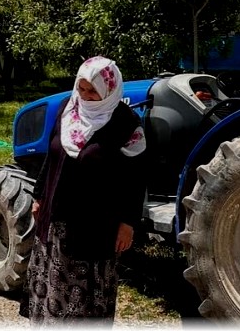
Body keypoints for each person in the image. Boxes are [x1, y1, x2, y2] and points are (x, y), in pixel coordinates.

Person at [20, 56, 148, 324]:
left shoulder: (125, 123)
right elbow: (52, 155)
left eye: (93, 91)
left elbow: (135, 178)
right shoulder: (68, 109)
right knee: (51, 293)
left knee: (85, 301)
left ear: (109, 90)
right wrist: (39, 195)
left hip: (95, 228)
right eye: (82, 88)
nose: (86, 97)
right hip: (56, 221)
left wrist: (128, 223)